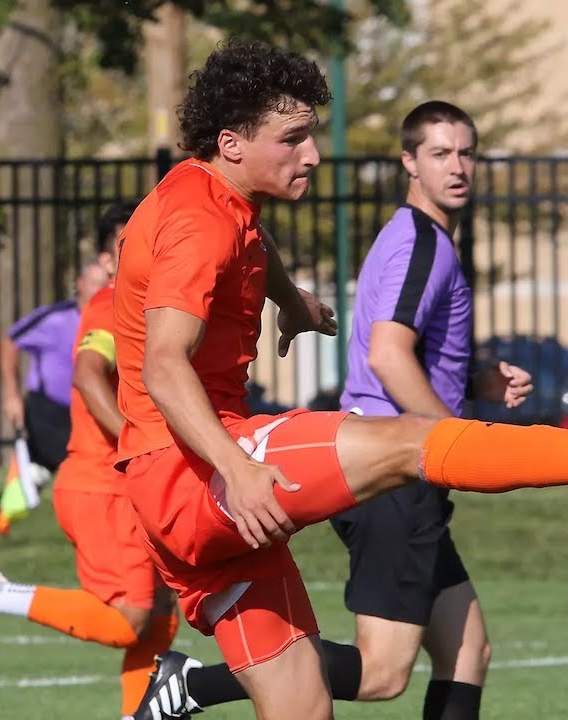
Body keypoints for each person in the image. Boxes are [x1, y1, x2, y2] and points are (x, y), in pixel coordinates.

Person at [86, 40, 568, 720]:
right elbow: (164, 364)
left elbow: (250, 241)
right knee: (407, 442)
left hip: (188, 500)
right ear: (232, 141)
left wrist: (291, 300)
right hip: (191, 473)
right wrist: (235, 468)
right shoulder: (198, 221)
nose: (311, 154)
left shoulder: (211, 196)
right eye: (294, 138)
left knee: (305, 706)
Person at [144, 101, 515, 720]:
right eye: (440, 154)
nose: (458, 168)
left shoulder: (419, 239)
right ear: (409, 163)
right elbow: (389, 355)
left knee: (468, 648)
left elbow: (397, 352)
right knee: (382, 674)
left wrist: (474, 383)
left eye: (467, 153)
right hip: (394, 479)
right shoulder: (423, 245)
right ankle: (193, 686)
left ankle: (202, 681)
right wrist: (457, 443)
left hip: (398, 467)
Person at [0, 200, 182, 720]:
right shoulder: (112, 304)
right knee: (128, 621)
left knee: (160, 611)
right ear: (110, 259)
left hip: (135, 484)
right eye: (126, 243)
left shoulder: (158, 304)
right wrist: (135, 444)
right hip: (103, 483)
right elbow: (89, 375)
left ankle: (137, 714)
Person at [0, 248, 114, 586]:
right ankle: (105, 561)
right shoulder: (55, 318)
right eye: (96, 282)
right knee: (92, 476)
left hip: (82, 414)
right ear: (80, 284)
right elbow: (11, 340)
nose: (101, 287)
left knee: (28, 484)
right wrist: (11, 393)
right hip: (49, 413)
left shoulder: (110, 316)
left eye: (106, 281)